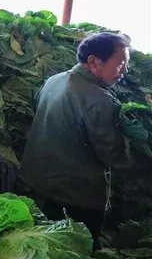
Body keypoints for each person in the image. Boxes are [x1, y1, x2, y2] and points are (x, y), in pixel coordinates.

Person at [19, 32, 144, 241]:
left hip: (36, 181)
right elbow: (113, 155)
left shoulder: (54, 80)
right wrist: (143, 158)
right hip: (73, 196)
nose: (124, 70)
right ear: (93, 62)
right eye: (120, 63)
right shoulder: (100, 101)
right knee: (77, 254)